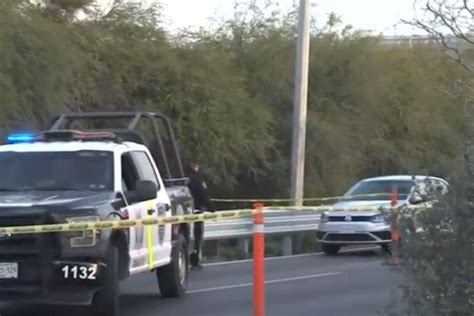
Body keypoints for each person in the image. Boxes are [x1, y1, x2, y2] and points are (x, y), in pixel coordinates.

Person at [187, 162, 214, 270]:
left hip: (184, 212)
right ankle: (194, 261)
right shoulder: (198, 180)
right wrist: (212, 208)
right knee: (197, 237)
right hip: (197, 211)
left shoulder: (183, 179)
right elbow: (203, 195)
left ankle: (185, 259)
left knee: (186, 236)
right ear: (196, 167)